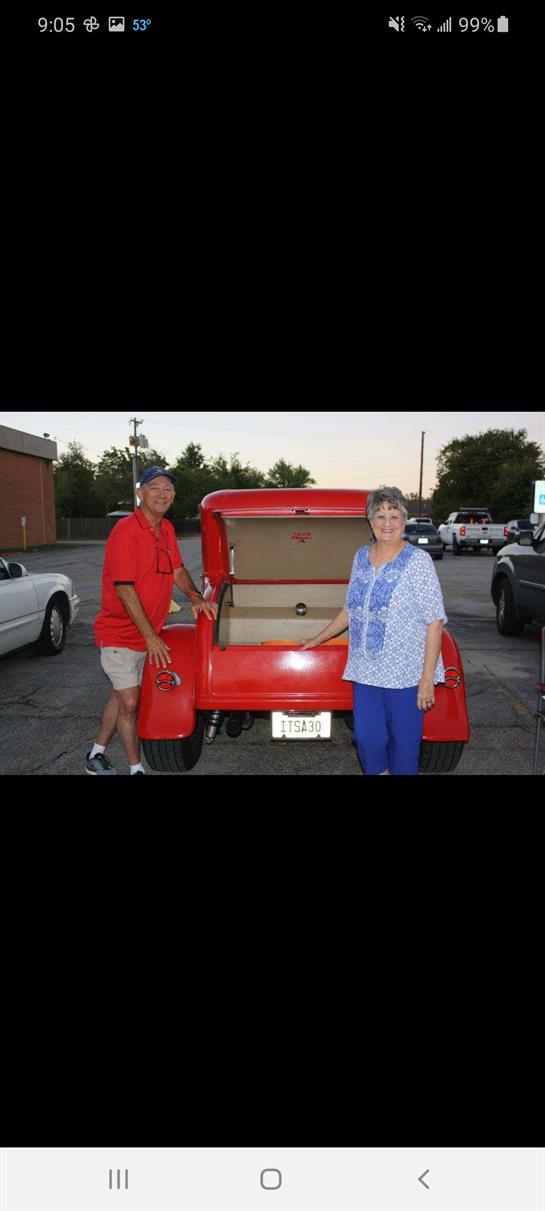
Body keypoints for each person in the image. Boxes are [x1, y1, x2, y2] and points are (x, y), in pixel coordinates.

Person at [302, 485, 447, 776]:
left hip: (406, 674)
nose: (387, 523)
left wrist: (427, 679)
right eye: (380, 516)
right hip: (366, 670)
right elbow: (351, 610)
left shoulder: (418, 562)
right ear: (369, 521)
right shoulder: (360, 557)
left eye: (394, 515)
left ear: (404, 520)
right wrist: (317, 638)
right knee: (367, 739)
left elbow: (435, 621)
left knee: (404, 746)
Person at [87, 467, 217, 775]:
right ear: (140, 493)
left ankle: (96, 753)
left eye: (168, 489)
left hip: (148, 632)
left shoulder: (166, 530)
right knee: (131, 702)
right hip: (120, 634)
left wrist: (196, 596)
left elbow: (177, 571)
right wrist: (150, 637)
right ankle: (136, 768)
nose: (162, 493)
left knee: (122, 695)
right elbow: (124, 588)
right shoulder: (126, 531)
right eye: (154, 487)